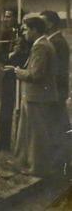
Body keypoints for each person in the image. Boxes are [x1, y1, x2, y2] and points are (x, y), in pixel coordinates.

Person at [13, 16, 62, 177]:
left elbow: (36, 74)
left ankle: (37, 168)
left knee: (36, 134)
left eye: (26, 29)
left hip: (38, 96)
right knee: (30, 131)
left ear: (35, 30)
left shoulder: (40, 47)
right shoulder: (42, 44)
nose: (24, 33)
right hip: (37, 96)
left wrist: (19, 72)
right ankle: (25, 161)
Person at [0, 9, 28, 152]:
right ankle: (3, 145)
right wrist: (4, 61)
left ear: (16, 17)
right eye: (5, 16)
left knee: (21, 110)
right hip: (8, 75)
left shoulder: (25, 35)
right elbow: (0, 55)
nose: (5, 19)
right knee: (5, 109)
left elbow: (27, 56)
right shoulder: (5, 34)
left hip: (22, 75)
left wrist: (17, 53)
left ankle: (20, 145)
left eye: (9, 16)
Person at [40, 10, 70, 164]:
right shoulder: (53, 40)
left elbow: (57, 70)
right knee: (58, 121)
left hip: (57, 88)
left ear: (50, 23)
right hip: (56, 88)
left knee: (57, 122)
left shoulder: (57, 42)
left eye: (43, 22)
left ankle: (60, 158)